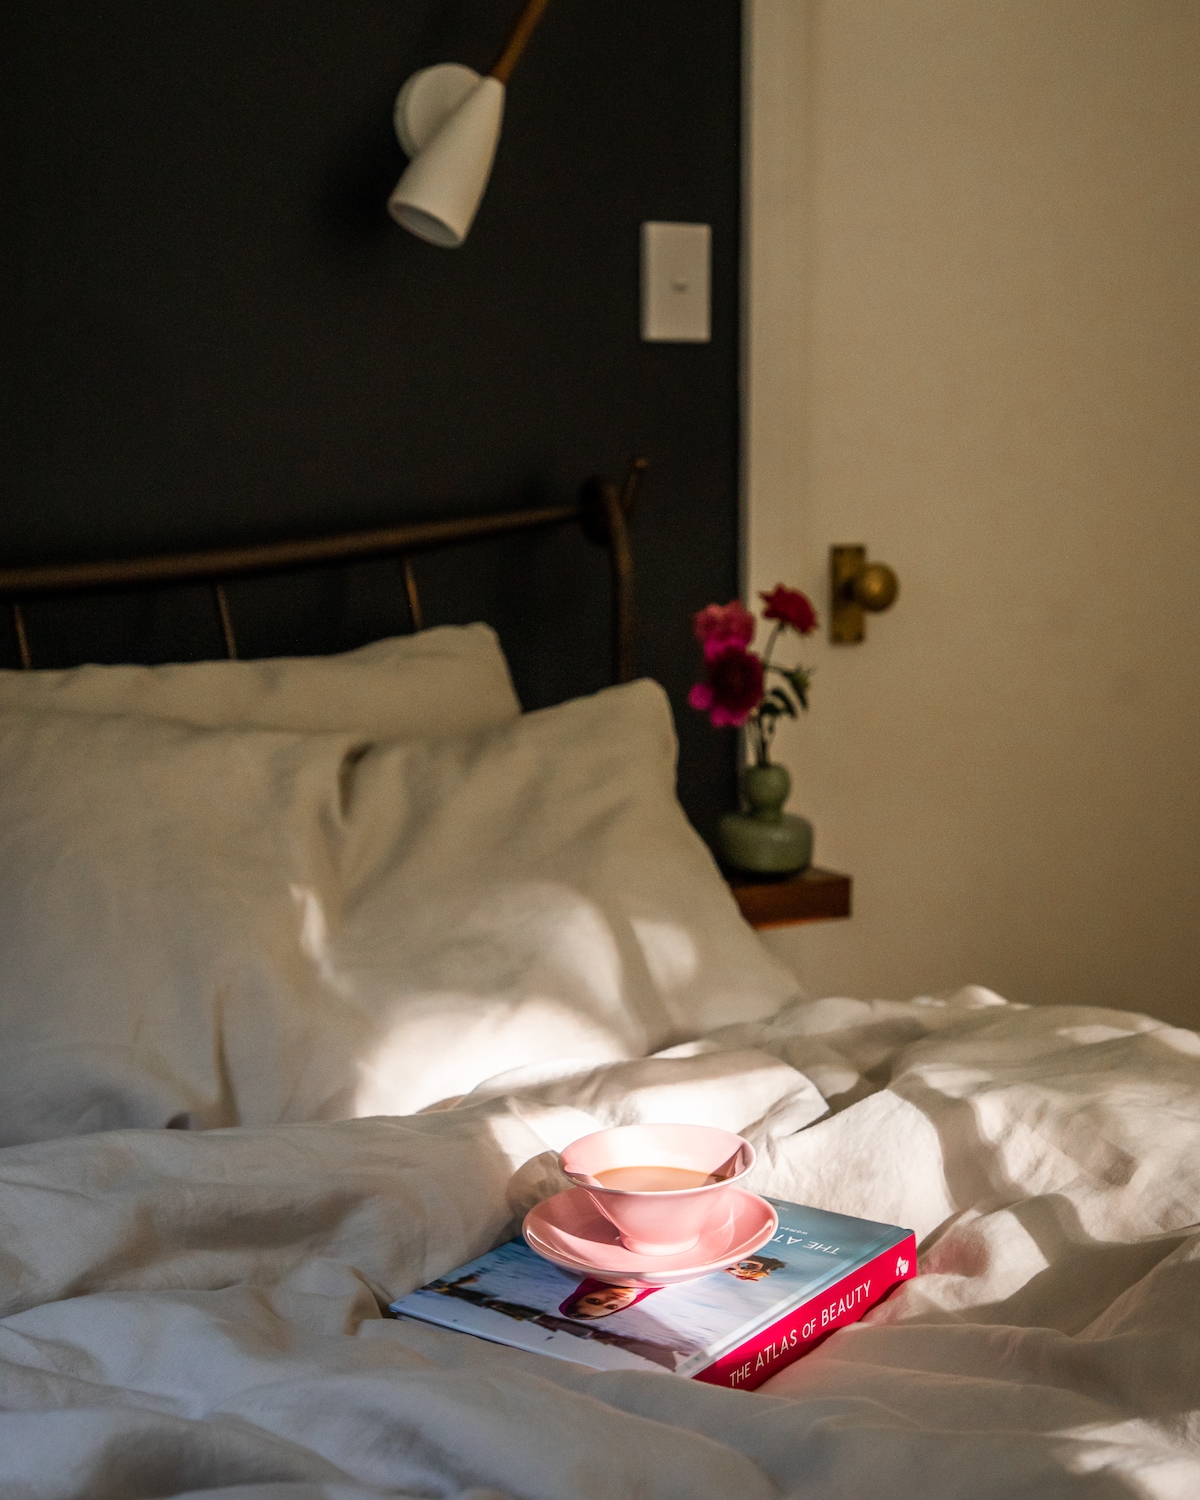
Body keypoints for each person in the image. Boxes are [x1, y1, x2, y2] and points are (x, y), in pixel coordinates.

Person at [560, 1278, 659, 1320]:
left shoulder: (617, 1267)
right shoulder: (651, 1286)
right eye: (612, 1307)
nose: (613, 1300)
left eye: (595, 1300)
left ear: (587, 1292)